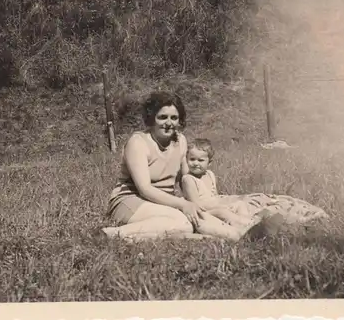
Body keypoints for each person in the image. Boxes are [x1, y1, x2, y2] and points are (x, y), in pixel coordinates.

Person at [102, 91, 238, 242]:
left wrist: (206, 202)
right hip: (130, 200)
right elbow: (144, 189)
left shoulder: (181, 141)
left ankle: (232, 235)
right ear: (152, 118)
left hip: (164, 201)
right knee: (184, 221)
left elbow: (186, 178)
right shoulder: (138, 142)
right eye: (162, 117)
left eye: (174, 118)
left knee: (196, 218)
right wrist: (182, 204)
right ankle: (114, 233)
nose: (168, 123)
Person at [182, 137, 329, 237]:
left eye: (200, 160)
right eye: (192, 159)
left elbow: (215, 194)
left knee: (240, 205)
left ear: (209, 162)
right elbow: (197, 205)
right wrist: (222, 206)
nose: (196, 163)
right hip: (206, 210)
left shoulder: (210, 174)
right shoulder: (188, 179)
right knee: (224, 211)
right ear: (186, 160)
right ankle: (246, 225)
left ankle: (252, 221)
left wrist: (227, 203)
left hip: (217, 202)